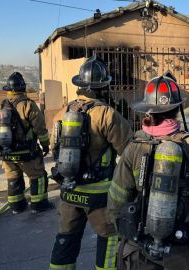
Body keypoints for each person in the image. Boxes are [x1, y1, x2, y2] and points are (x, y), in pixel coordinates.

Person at [108, 73, 189, 270]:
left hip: (140, 249)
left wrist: (124, 232)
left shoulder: (135, 146)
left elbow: (117, 197)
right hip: (182, 248)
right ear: (176, 109)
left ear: (148, 110)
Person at [49, 55, 133, 270]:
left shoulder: (63, 112)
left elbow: (54, 149)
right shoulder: (106, 114)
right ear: (103, 87)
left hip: (69, 191)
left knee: (66, 238)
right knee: (109, 239)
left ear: (80, 86)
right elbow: (129, 151)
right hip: (99, 196)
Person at [0, 72, 54, 214]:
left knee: (13, 177)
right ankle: (39, 204)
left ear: (7, 89)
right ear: (23, 88)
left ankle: (16, 206)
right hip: (27, 152)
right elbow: (40, 129)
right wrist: (45, 146)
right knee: (37, 176)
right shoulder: (28, 105)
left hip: (6, 152)